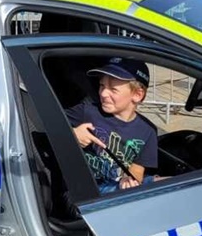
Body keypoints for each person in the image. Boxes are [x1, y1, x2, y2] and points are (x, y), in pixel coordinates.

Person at [65, 58, 158, 193]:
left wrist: (128, 180)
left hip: (120, 185)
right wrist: (72, 134)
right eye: (102, 86)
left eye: (113, 89)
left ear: (137, 95)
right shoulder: (86, 111)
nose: (103, 93)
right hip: (85, 191)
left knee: (171, 183)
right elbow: (46, 123)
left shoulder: (148, 131)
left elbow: (137, 170)